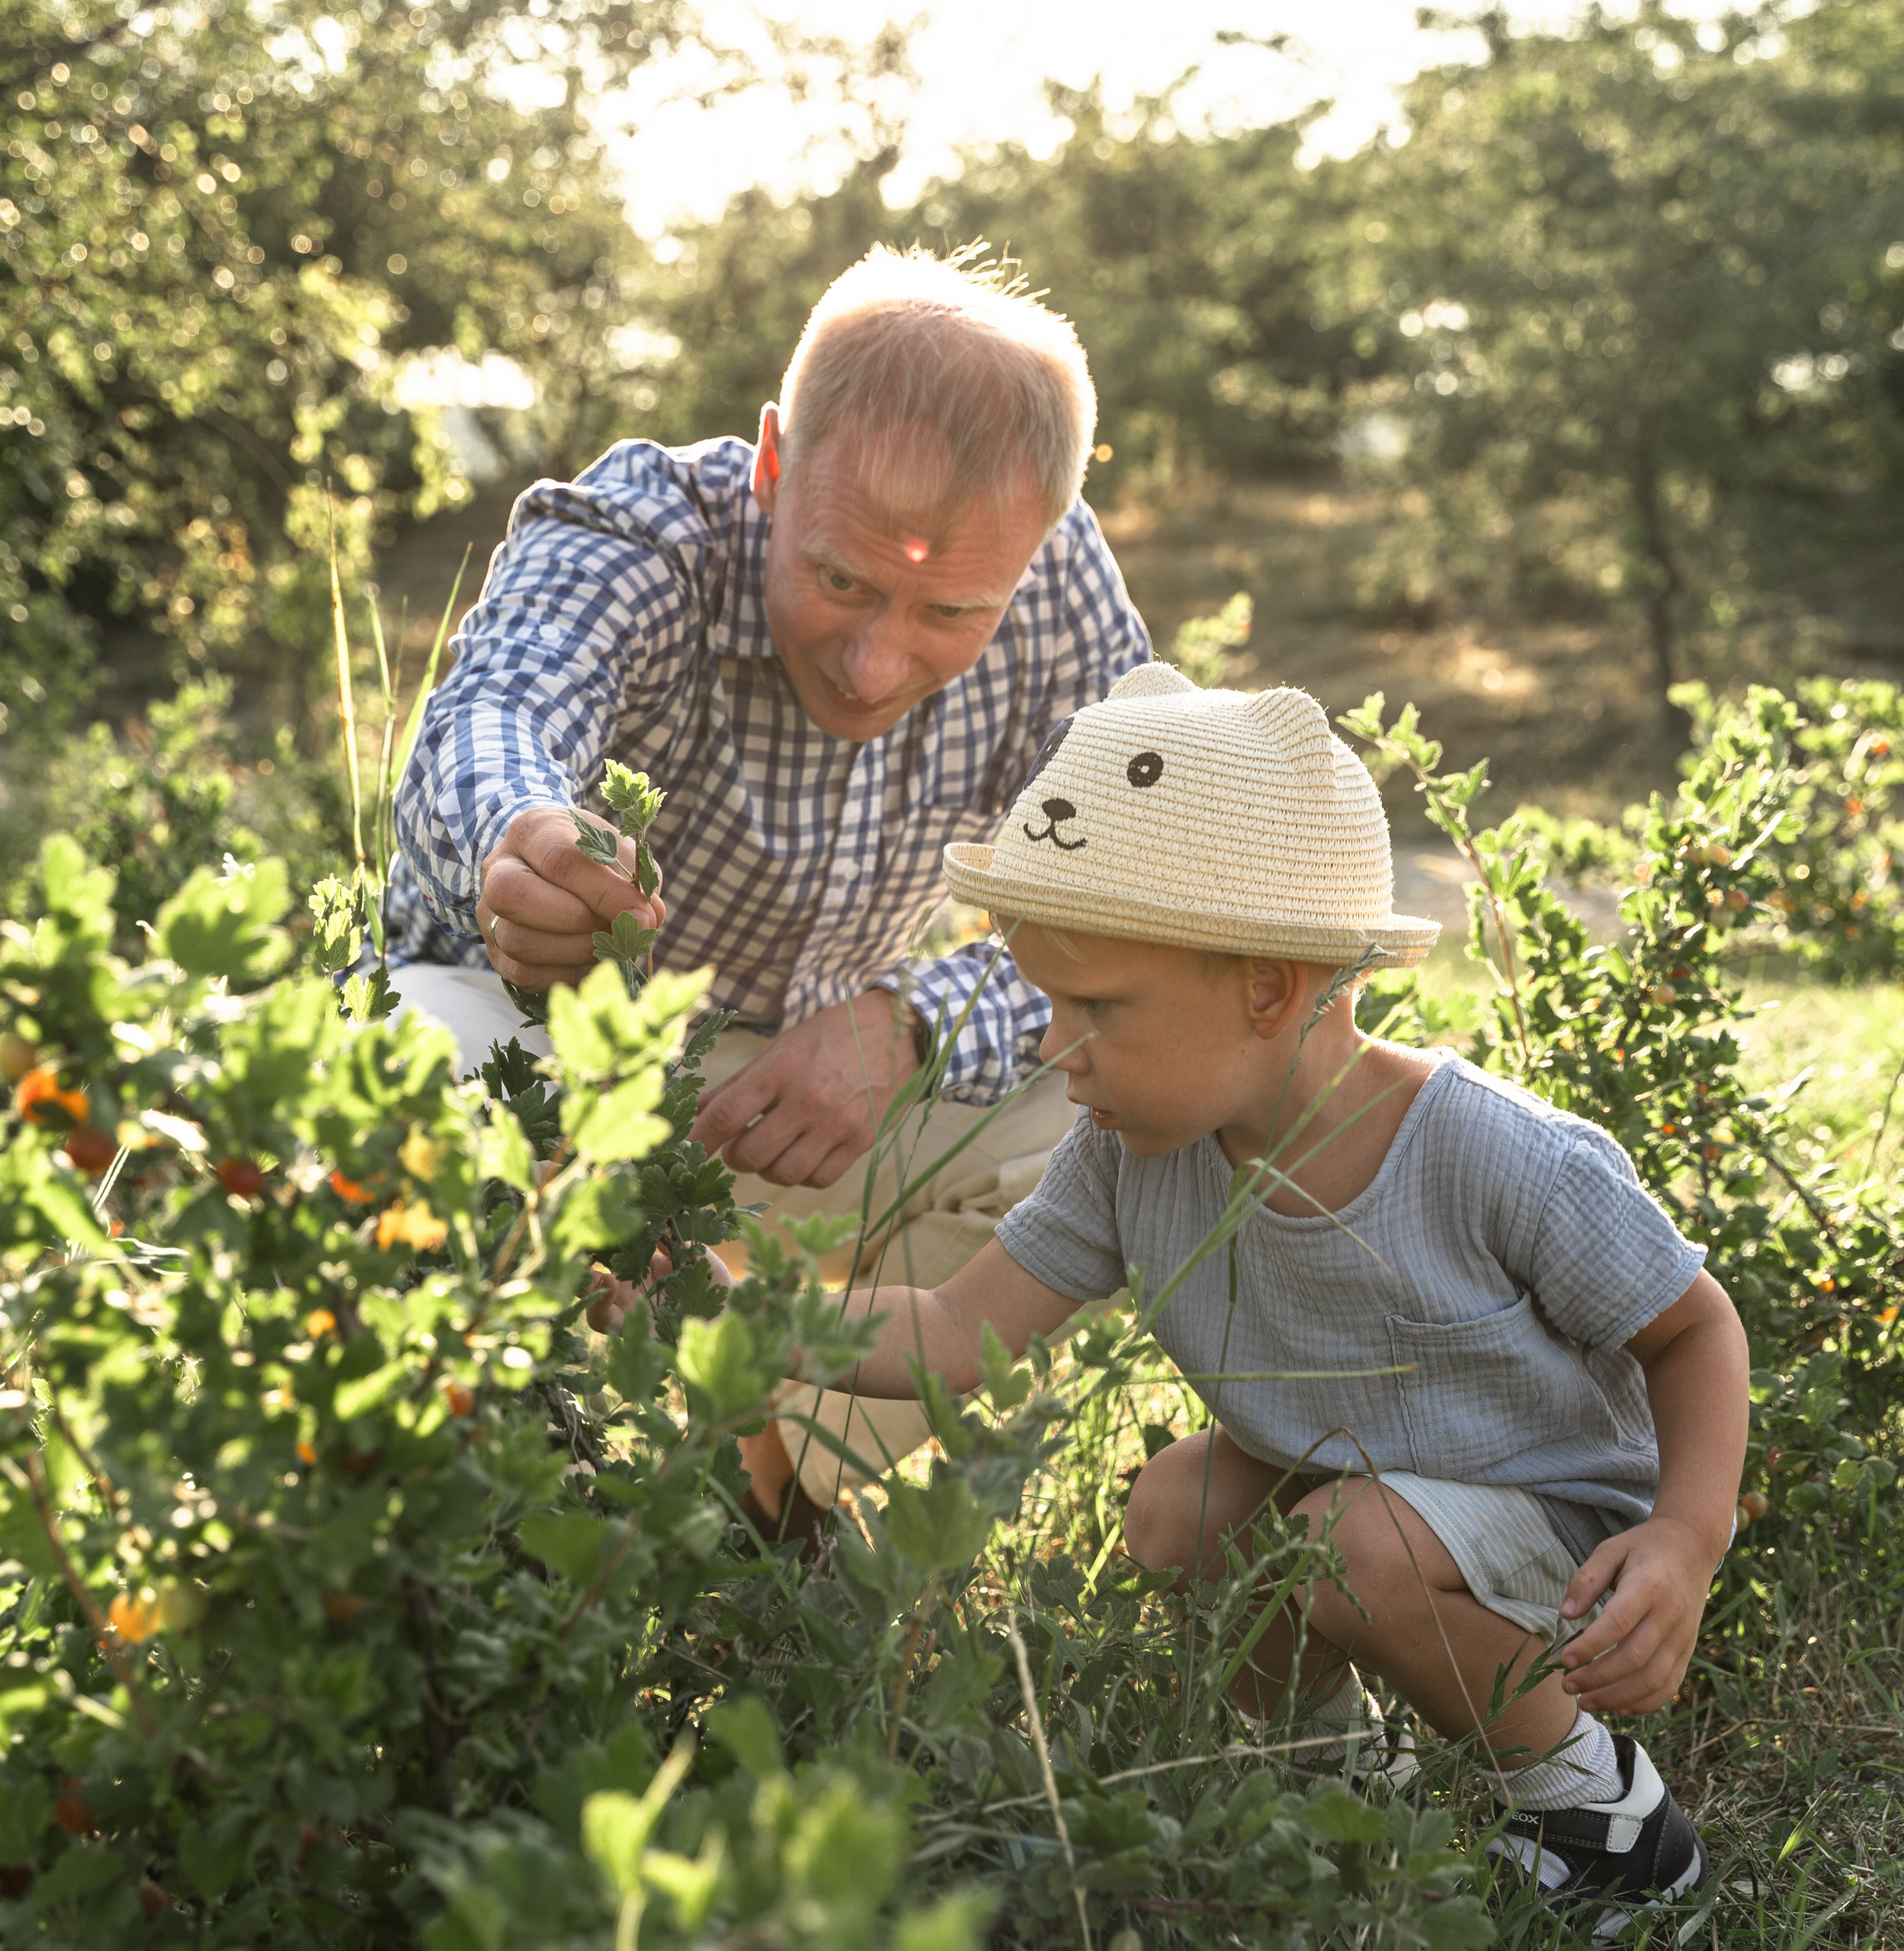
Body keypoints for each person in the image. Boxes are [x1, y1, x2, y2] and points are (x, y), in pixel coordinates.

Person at [677, 662, 1749, 1928]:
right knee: (1179, 1510)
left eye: (1093, 1009)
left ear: (1267, 988)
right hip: (1353, 1498)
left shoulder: (1488, 1151)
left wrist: (1684, 1537)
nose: (1049, 1048)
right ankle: (1330, 1776)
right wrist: (729, 1311)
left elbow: (1692, 1325)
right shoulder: (1134, 1153)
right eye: (1044, 1003)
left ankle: (1599, 1815)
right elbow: (954, 1336)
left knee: (1349, 1543)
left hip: (1560, 1527)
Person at [385, 245, 1152, 1536]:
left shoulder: (1058, 579)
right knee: (431, 1066)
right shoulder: (646, 529)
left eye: (949, 610)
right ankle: (515, 1502)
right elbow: (499, 707)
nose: (874, 659)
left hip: (810, 1095)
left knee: (1138, 1134)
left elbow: (1131, 892)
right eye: (842, 579)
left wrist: (909, 1021)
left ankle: (763, 1492)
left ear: (1033, 548)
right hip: (559, 1058)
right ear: (772, 463)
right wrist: (521, 832)